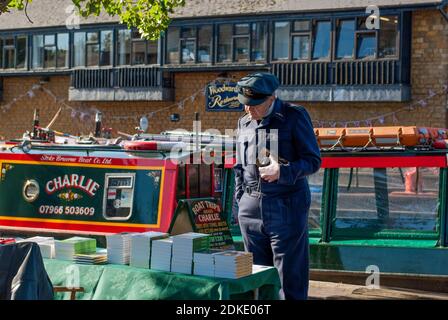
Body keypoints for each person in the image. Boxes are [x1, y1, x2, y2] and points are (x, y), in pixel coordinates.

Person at [234, 72, 321, 300]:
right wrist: (240, 200)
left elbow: (313, 161)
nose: (248, 110)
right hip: (250, 209)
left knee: (290, 278)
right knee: (256, 278)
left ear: (271, 98)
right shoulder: (244, 121)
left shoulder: (294, 116)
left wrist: (283, 171)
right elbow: (238, 166)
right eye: (245, 104)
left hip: (286, 205)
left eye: (254, 105)